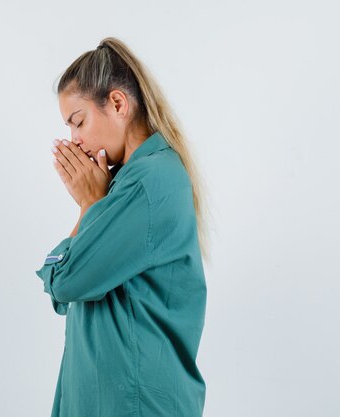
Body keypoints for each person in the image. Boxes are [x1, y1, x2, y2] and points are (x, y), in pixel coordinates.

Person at [35, 37, 210, 417]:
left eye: (78, 122)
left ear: (117, 104)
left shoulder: (150, 181)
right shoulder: (124, 183)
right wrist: (94, 204)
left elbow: (66, 282)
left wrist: (88, 205)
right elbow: (64, 293)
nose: (74, 140)